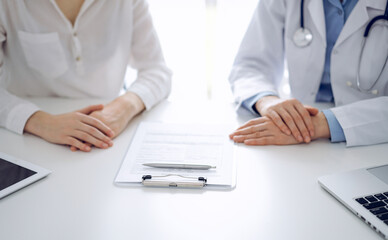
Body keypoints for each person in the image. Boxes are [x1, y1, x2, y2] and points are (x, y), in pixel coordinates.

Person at [0, 0, 171, 152]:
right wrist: (40, 122)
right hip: (25, 139)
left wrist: (123, 107)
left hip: (105, 138)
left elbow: (157, 70)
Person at [229, 0, 388, 147]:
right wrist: (267, 100)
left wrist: (317, 124)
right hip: (298, 140)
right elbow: (250, 65)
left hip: (374, 143)